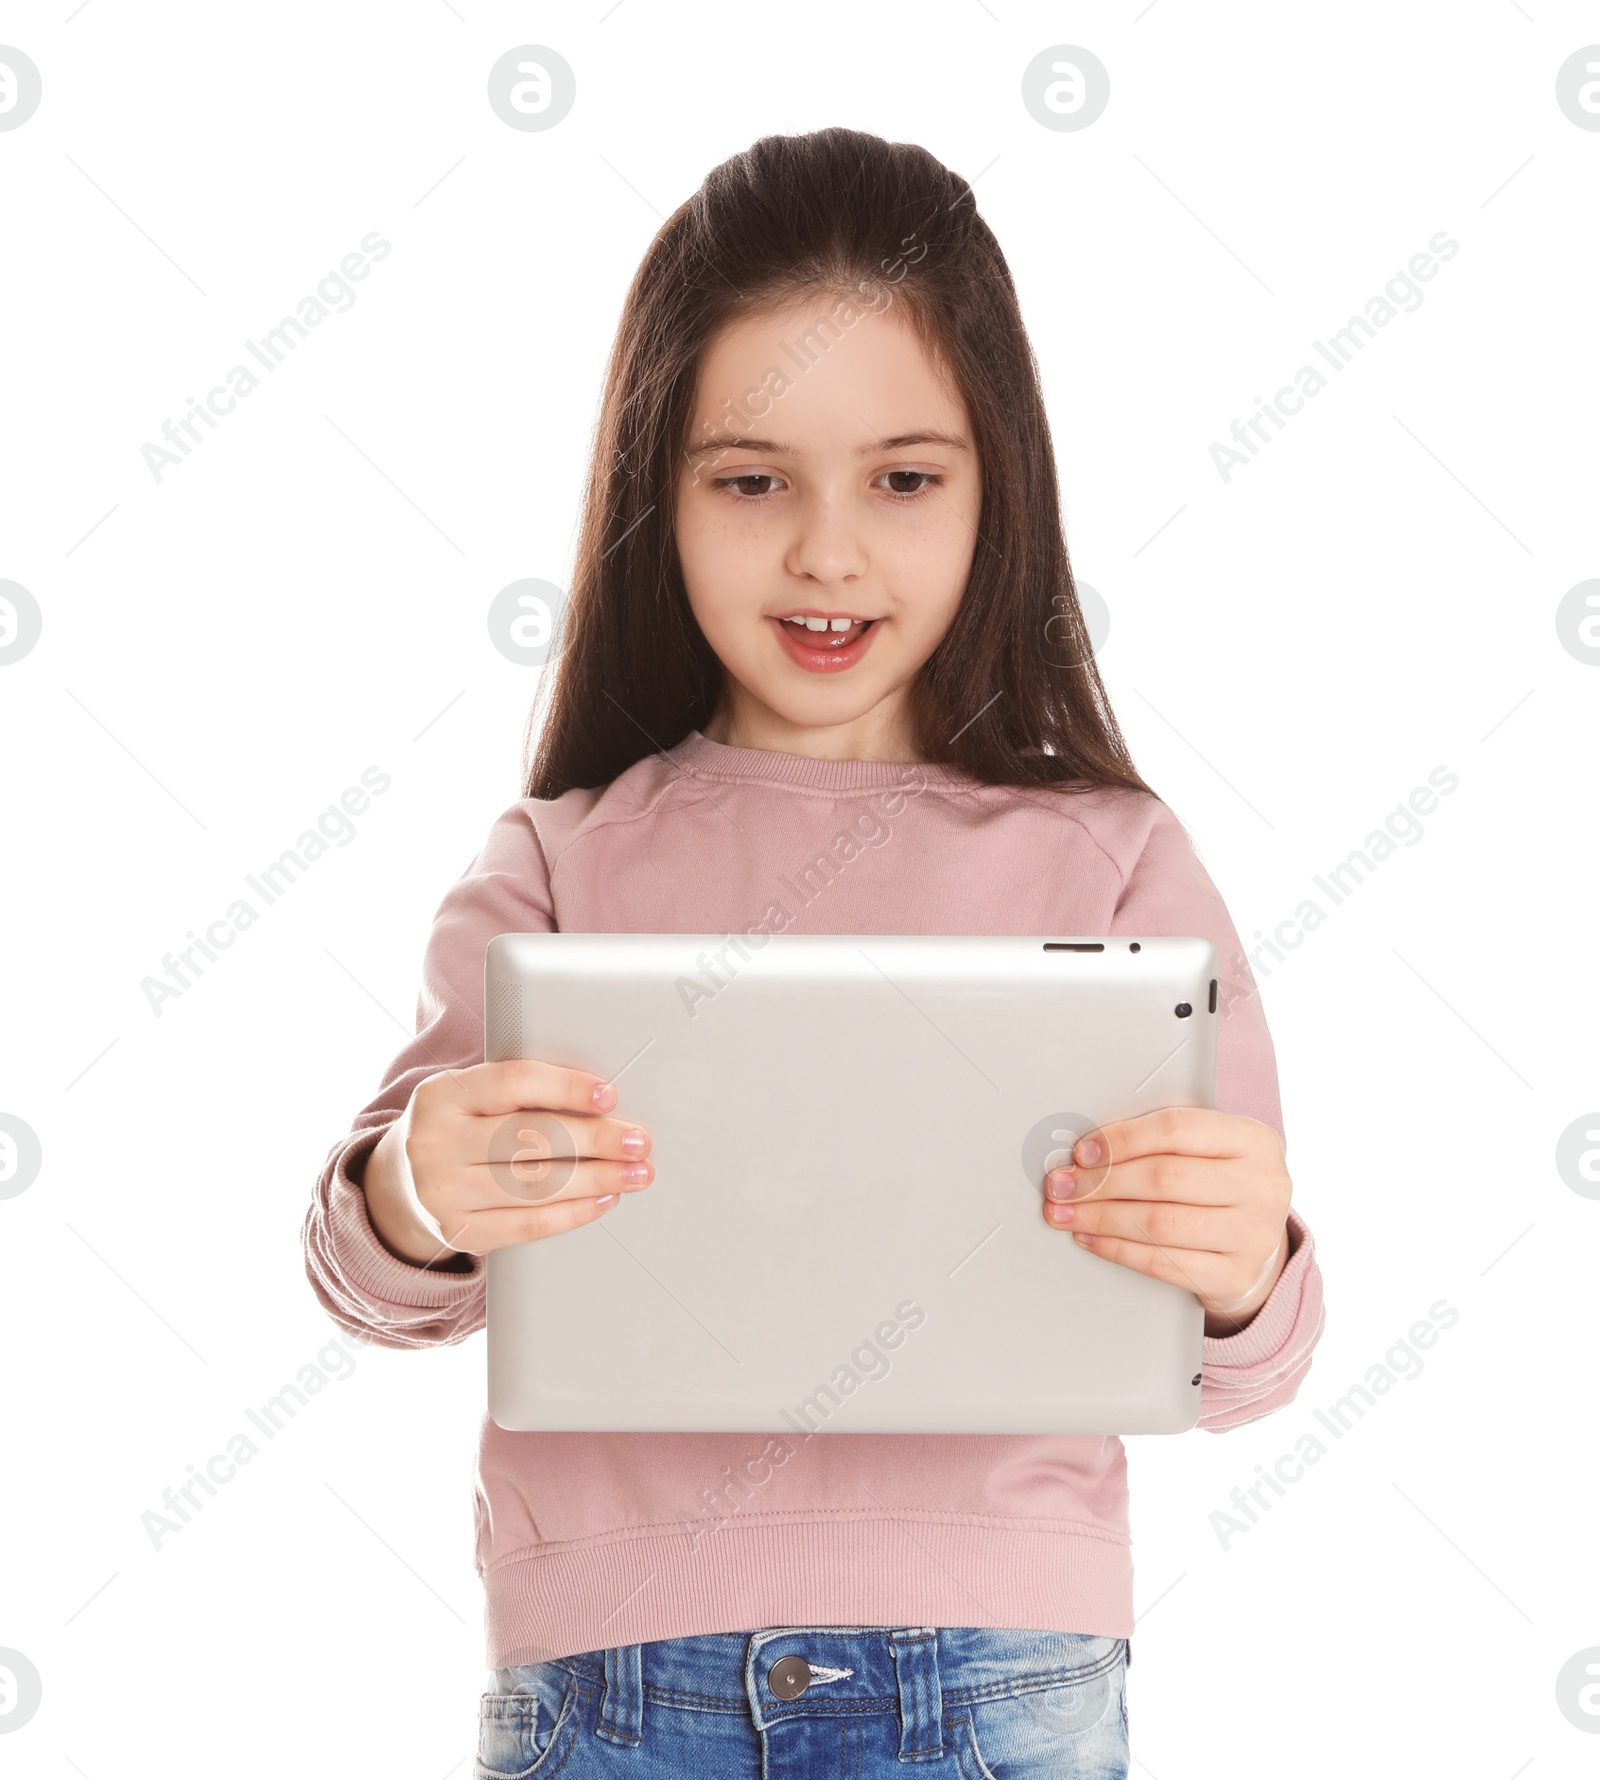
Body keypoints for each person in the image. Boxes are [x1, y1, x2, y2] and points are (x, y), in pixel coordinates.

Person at [303, 125, 1325, 1779]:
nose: (828, 552)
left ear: (1001, 492)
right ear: (660, 493)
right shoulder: (561, 859)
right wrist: (422, 1186)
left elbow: (1248, 1363)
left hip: (999, 1673)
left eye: (905, 479)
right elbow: (371, 1278)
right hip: (609, 1686)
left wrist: (1239, 1265)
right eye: (752, 479)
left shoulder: (1117, 859)